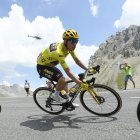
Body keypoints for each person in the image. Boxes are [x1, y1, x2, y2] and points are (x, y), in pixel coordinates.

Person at [36, 29, 93, 107]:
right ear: (66, 41)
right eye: (73, 41)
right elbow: (68, 72)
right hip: (42, 67)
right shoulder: (59, 52)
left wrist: (87, 69)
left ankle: (67, 102)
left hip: (49, 65)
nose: (75, 44)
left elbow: (77, 61)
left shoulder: (69, 48)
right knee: (63, 79)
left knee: (64, 81)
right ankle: (55, 96)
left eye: (76, 41)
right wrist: (81, 83)